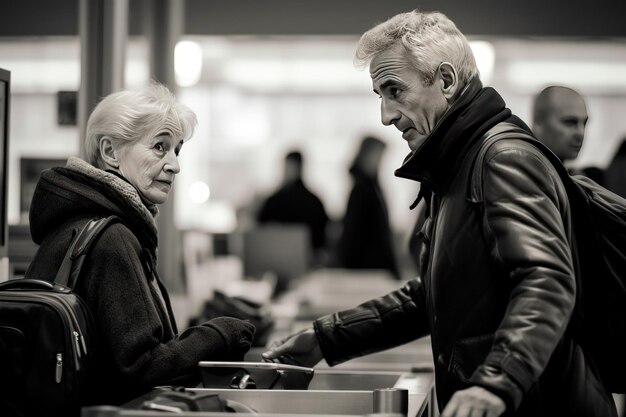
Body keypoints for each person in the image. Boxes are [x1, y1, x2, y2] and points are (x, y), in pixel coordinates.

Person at [263, 10, 618, 417]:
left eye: (395, 90)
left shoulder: (502, 158)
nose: (386, 115)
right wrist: (326, 339)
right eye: (380, 95)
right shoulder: (457, 166)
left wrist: (497, 383)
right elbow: (435, 294)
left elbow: (547, 280)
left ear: (446, 81)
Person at [25, 83, 256, 407]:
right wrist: (221, 334)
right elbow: (144, 368)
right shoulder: (112, 239)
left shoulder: (78, 225)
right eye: (160, 147)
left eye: (177, 150)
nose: (175, 165)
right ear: (110, 152)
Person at [334, 136, 400, 279]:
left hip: (373, 269)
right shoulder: (361, 190)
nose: (380, 161)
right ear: (366, 155)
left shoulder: (371, 187)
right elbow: (352, 233)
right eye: (378, 155)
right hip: (367, 271)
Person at [257, 150, 329, 265]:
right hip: (310, 261)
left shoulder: (274, 201)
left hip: (278, 261)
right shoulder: (314, 201)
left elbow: (261, 231)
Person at [532, 85, 605, 185]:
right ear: (539, 121)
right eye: (570, 122)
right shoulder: (524, 175)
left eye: (584, 123)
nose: (580, 132)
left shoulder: (576, 179)